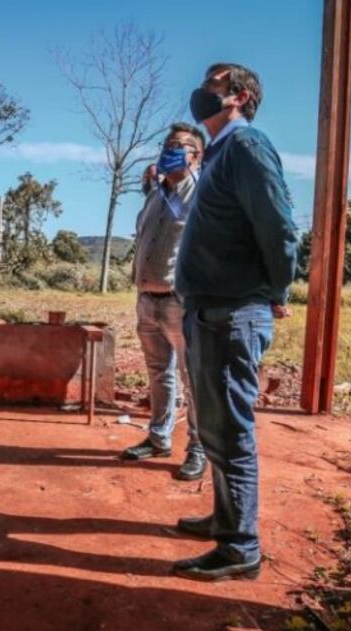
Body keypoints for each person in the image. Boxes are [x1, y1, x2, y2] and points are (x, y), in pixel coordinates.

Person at [170, 63, 298, 581]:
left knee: (230, 431)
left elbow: (279, 226)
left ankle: (240, 546)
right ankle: (226, 520)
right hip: (210, 311)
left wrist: (276, 290)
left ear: (239, 97)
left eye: (214, 85)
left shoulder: (246, 148)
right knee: (217, 428)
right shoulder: (221, 151)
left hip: (231, 312)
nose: (201, 92)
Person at [120, 123, 208, 482]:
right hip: (147, 300)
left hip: (179, 303)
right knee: (159, 374)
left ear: (196, 156)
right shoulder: (156, 194)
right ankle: (158, 438)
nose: (169, 150)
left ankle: (198, 448)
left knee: (193, 379)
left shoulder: (201, 194)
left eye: (180, 146)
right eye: (167, 144)